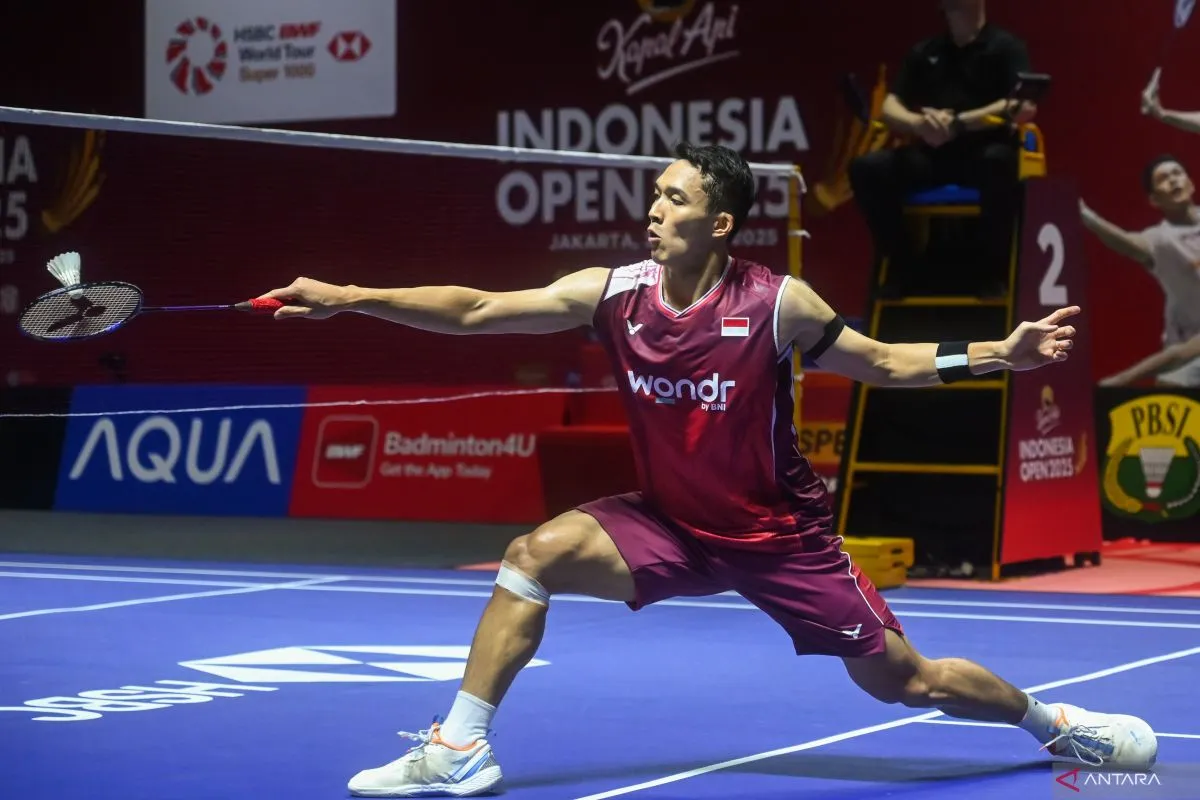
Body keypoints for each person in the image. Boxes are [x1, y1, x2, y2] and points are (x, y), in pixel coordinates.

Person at [260, 142, 1156, 798]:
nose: (653, 209)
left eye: (674, 198)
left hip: (780, 538)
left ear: (719, 223)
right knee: (532, 556)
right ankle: (460, 749)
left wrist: (999, 352)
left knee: (905, 681)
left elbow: (884, 363)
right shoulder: (615, 294)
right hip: (670, 524)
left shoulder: (777, 304)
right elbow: (478, 310)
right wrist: (349, 298)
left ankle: (1054, 725)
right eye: (655, 194)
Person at [848, 0, 1035, 297]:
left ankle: (991, 273)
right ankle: (903, 265)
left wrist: (959, 123)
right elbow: (889, 106)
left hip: (984, 153)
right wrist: (918, 123)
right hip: (932, 155)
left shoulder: (1006, 47)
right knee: (867, 168)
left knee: (1000, 164)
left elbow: (1021, 104)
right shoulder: (926, 51)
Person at [1080, 155, 1200, 387]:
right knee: (1168, 393)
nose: (1173, 180)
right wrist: (1087, 216)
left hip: (1184, 354)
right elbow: (1127, 244)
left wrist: (1120, 381)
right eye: (1163, 178)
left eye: (1177, 173)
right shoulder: (1160, 240)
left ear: (1191, 184)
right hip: (1182, 351)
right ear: (1154, 199)